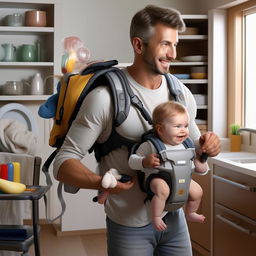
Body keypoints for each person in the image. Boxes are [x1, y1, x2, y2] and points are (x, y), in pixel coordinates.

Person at [53, 4, 221, 256]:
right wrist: (102, 182)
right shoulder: (105, 98)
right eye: (165, 44)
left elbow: (196, 150)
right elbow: (62, 163)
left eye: (175, 44)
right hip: (128, 226)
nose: (173, 54)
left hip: (174, 220)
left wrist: (210, 146)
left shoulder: (180, 93)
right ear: (139, 45)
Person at [128, 101, 208, 232]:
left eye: (186, 126)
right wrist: (144, 161)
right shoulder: (151, 145)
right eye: (177, 126)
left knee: (197, 191)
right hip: (158, 177)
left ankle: (190, 212)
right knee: (163, 190)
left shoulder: (187, 144)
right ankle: (156, 216)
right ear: (160, 129)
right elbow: (132, 161)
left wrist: (201, 160)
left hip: (182, 178)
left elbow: (200, 169)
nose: (184, 130)